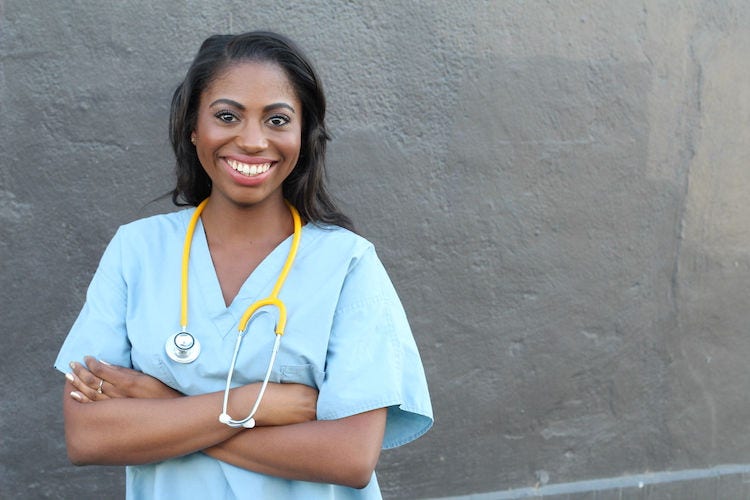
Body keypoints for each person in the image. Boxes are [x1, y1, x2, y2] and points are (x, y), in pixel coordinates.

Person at [55, 31, 432, 499]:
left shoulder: (348, 264)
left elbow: (349, 457)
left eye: (277, 120)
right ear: (193, 127)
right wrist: (255, 403)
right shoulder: (137, 250)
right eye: (227, 116)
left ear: (302, 135)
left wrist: (166, 407)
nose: (253, 141)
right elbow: (89, 436)